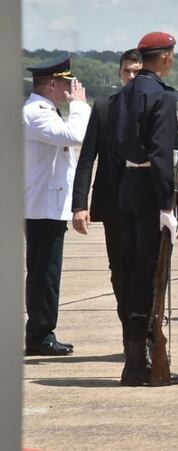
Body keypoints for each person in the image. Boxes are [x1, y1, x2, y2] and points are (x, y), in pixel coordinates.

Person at [109, 32, 178, 385]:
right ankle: (139, 366)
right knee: (148, 276)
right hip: (150, 193)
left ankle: (134, 360)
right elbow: (164, 152)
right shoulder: (160, 95)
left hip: (126, 190)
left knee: (130, 275)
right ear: (166, 57)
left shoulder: (122, 95)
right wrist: (167, 204)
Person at [71, 49, 142, 350]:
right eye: (128, 71)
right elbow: (87, 159)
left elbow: (174, 158)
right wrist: (79, 205)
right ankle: (130, 330)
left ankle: (147, 331)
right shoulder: (103, 108)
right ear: (119, 73)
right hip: (113, 205)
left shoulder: (157, 107)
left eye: (138, 71)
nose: (132, 77)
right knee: (120, 271)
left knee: (148, 270)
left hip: (147, 207)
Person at [23, 53, 91, 356]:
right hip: (41, 207)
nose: (70, 88)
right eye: (66, 83)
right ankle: (40, 335)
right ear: (51, 84)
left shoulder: (45, 110)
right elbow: (75, 135)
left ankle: (41, 331)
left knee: (45, 272)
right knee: (44, 273)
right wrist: (79, 104)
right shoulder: (37, 112)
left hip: (46, 205)